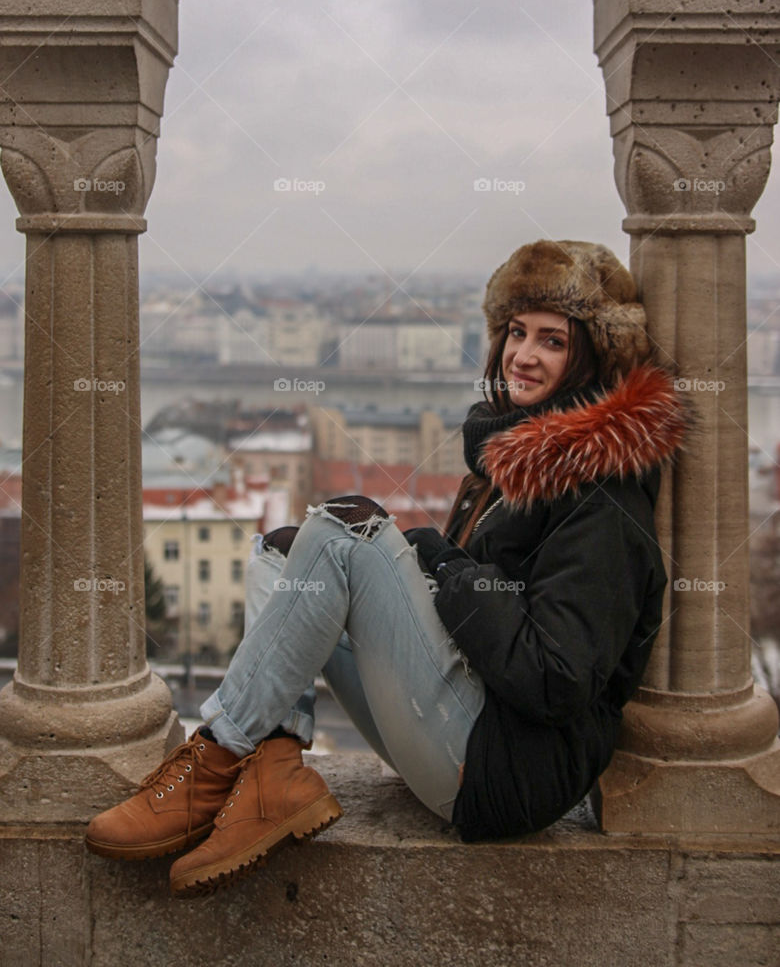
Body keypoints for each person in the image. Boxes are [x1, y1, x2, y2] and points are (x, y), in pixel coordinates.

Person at [85, 238, 692, 897]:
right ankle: (274, 771)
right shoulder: (512, 461)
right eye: (517, 331)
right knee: (283, 552)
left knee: (346, 526)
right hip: (462, 725)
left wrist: (451, 569)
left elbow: (557, 679)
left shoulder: (603, 492)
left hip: (502, 770)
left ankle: (220, 754)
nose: (522, 354)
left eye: (552, 340)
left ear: (594, 357)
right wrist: (445, 568)